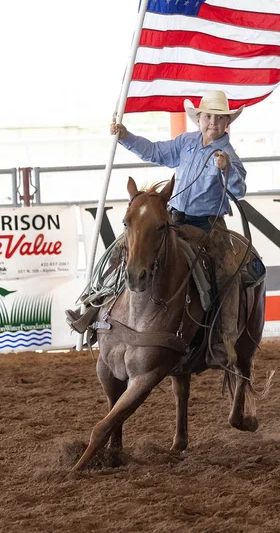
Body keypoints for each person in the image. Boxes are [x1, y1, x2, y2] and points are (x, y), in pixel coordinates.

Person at [68, 90, 248, 366]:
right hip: (173, 220)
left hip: (208, 227)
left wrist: (226, 170)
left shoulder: (228, 155)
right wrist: (126, 137)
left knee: (226, 273)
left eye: (219, 118)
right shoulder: (186, 143)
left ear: (227, 123)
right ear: (199, 119)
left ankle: (224, 340)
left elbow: (239, 188)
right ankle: (92, 309)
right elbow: (154, 151)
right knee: (123, 249)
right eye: (208, 116)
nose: (212, 122)